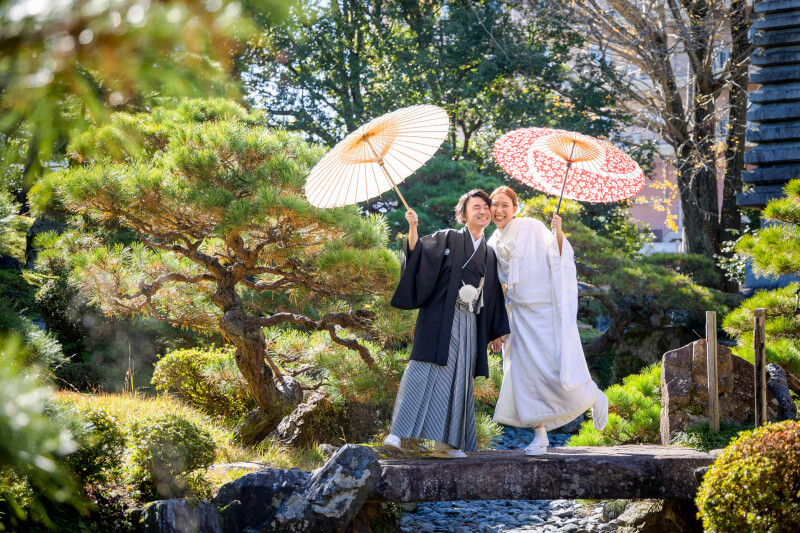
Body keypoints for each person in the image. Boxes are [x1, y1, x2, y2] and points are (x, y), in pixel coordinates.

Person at [383, 189, 510, 458]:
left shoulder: (488, 253)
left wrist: (497, 332)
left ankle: (445, 444)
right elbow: (418, 255)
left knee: (458, 379)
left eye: (486, 207)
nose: (483, 211)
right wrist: (413, 227)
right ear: (463, 215)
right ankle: (396, 433)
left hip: (470, 321)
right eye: (476, 207)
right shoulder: (448, 238)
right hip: (440, 316)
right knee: (422, 370)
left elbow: (494, 294)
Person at [487, 186, 608, 456]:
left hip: (543, 311)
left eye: (505, 205)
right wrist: (496, 328)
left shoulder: (530, 226)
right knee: (522, 375)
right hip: (516, 315)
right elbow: (497, 288)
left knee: (553, 370)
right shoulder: (492, 242)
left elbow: (558, 255)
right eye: (494, 204)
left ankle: (592, 395)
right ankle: (540, 437)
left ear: (516, 208)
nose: (499, 210)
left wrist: (558, 233)